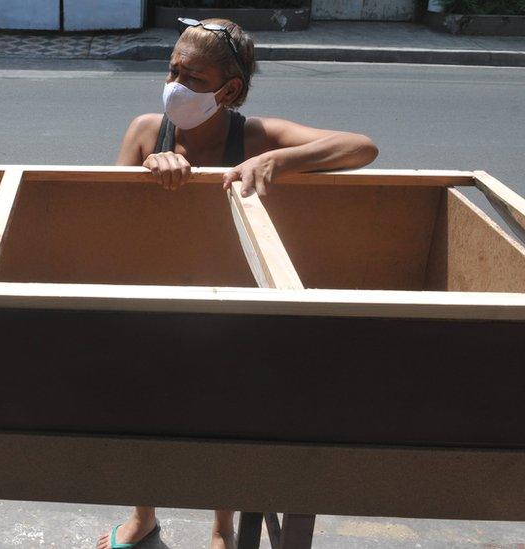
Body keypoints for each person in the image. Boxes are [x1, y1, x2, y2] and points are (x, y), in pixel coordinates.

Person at [98, 18, 378, 549]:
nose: (176, 85)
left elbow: (361, 147)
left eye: (194, 78)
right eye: (172, 70)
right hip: (159, 295)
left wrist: (278, 158)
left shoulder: (251, 135)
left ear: (231, 90)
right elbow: (115, 217)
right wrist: (148, 172)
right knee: (138, 412)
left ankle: (222, 526)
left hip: (228, 301)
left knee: (224, 418)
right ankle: (144, 516)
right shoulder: (144, 130)